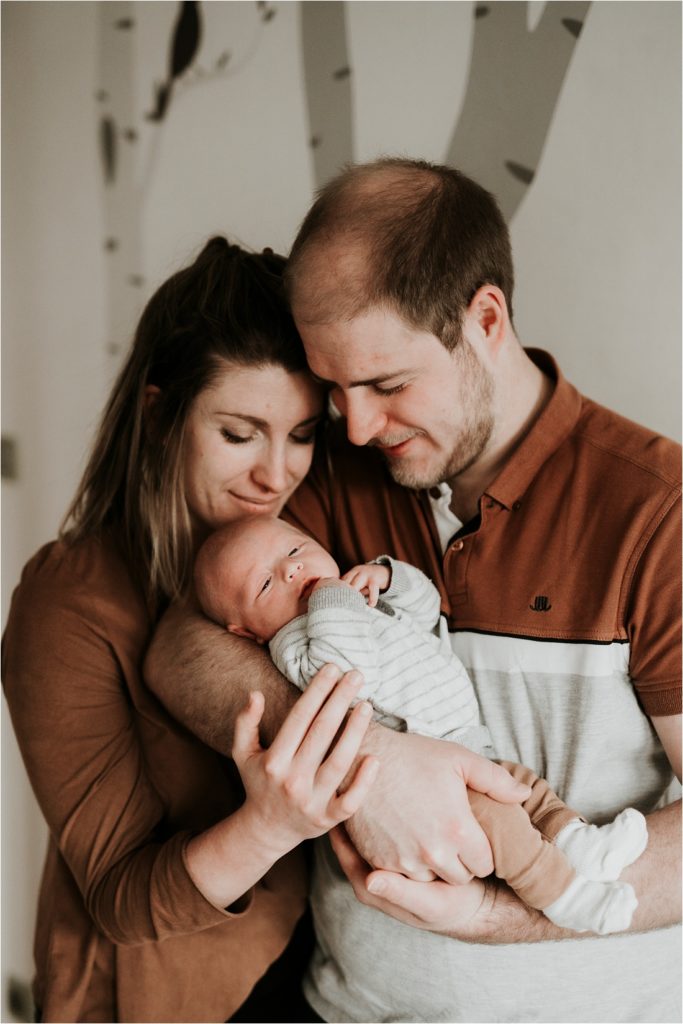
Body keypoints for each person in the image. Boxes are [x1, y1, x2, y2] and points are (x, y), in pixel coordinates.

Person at [146, 158, 681, 1023]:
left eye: (387, 385)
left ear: (485, 319)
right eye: (334, 389)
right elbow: (180, 644)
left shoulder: (657, 514)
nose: (354, 426)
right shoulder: (339, 481)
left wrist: (489, 916)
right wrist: (373, 767)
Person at [1, 236, 385, 1023]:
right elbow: (118, 898)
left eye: (303, 434)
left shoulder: (307, 547)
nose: (275, 473)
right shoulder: (68, 600)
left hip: (313, 977)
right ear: (160, 414)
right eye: (239, 433)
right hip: (153, 994)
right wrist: (269, 824)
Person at [194, 514, 650, 936]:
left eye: (295, 550)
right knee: (506, 825)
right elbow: (347, 664)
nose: (292, 571)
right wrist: (332, 595)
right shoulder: (295, 644)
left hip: (464, 745)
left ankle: (579, 843)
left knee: (528, 790)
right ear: (247, 632)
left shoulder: (358, 603)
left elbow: (429, 610)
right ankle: (566, 897)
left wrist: (387, 579)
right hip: (430, 779)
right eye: (266, 584)